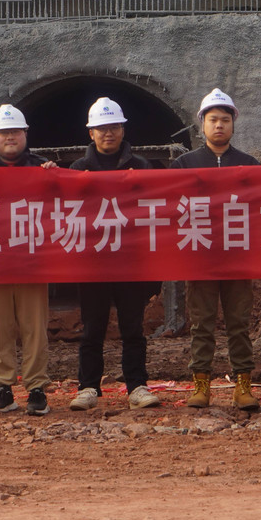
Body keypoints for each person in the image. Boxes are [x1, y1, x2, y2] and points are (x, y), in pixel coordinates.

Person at [69, 97, 164, 412]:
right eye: (101, 128)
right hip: (92, 262)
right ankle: (88, 387)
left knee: (132, 327)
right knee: (92, 328)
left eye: (113, 127)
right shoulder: (78, 170)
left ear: (123, 130)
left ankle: (137, 386)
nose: (108, 133)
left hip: (130, 261)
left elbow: (155, 206)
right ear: (91, 133)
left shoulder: (142, 167)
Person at [173, 89, 261, 413]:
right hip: (201, 258)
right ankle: (201, 384)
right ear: (202, 124)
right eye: (213, 120)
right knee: (202, 324)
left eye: (225, 119)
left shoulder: (249, 165)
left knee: (239, 323)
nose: (219, 125)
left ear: (233, 124)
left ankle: (243, 386)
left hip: (238, 257)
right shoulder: (184, 165)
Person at [0, 104, 59, 416]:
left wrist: (54, 177)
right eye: (3, 132)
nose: (10, 137)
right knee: (0, 328)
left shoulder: (43, 168)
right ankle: (3, 388)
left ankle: (36, 388)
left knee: (35, 328)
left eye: (15, 132)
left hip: (32, 263)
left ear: (25, 135)